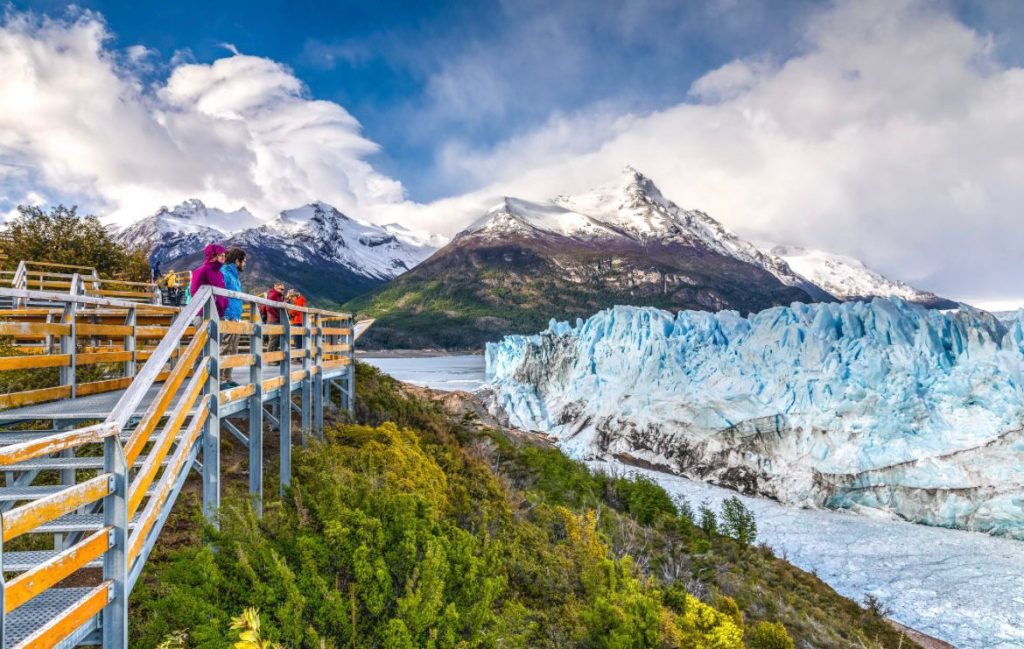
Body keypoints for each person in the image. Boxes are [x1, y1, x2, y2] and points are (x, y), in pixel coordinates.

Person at [219, 248, 247, 386]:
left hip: (235, 316)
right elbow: (221, 295)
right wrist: (225, 314)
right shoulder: (224, 273)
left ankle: (228, 378)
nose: (245, 264)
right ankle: (220, 379)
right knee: (225, 347)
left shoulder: (234, 276)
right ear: (237, 261)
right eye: (244, 261)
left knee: (233, 349)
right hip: (227, 315)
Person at [189, 243, 228, 317]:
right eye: (221, 255)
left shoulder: (220, 274)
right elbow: (194, 292)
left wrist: (224, 303)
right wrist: (209, 303)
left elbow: (222, 292)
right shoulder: (201, 271)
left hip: (219, 313)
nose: (224, 258)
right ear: (213, 256)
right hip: (204, 314)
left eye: (224, 256)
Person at [259, 281, 286, 355]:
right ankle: (270, 358)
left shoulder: (279, 296)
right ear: (275, 287)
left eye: (283, 289)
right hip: (273, 320)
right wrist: (278, 316)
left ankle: (274, 357)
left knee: (276, 341)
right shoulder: (273, 295)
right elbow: (269, 308)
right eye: (281, 289)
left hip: (276, 319)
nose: (282, 290)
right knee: (273, 340)